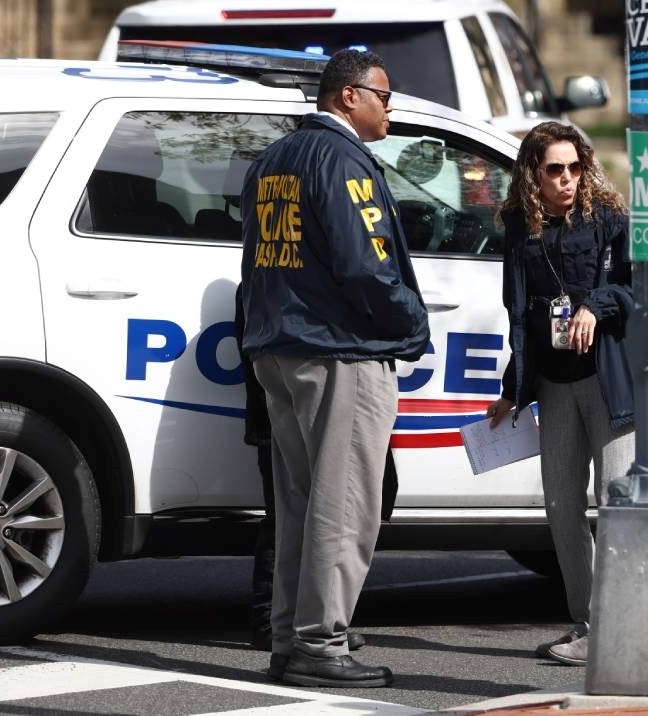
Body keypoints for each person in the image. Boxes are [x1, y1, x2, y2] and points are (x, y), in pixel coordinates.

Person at [239, 48, 429, 688]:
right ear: (349, 96)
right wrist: (411, 323)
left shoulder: (272, 159)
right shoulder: (344, 159)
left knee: (299, 504)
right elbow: (366, 264)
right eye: (383, 95)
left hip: (279, 348)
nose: (389, 107)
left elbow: (258, 261)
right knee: (345, 505)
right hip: (339, 350)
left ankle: (292, 640)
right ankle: (322, 645)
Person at [486, 121, 634, 668]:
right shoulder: (518, 230)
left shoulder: (609, 220)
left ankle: (620, 624)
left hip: (608, 381)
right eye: (555, 169)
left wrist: (597, 304)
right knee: (561, 506)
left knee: (617, 504)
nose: (568, 179)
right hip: (553, 384)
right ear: (533, 174)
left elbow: (636, 285)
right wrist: (511, 390)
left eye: (575, 167)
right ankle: (589, 621)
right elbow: (519, 319)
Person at [232, 285, 366, 655]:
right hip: (282, 414)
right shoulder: (278, 284)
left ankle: (288, 625)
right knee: (289, 519)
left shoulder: (260, 279)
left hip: (273, 414)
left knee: (291, 516)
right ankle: (280, 623)